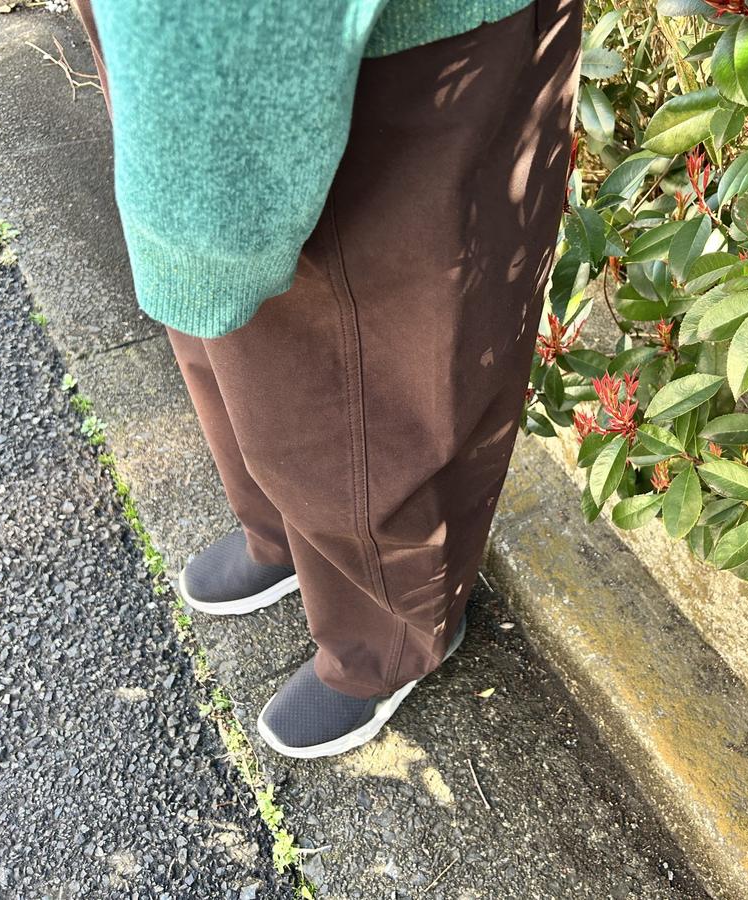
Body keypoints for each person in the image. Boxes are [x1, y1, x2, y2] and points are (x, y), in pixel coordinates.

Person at [72, 0, 582, 758]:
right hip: (172, 41)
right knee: (239, 347)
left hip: (411, 40)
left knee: (373, 384)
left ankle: (389, 636)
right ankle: (280, 532)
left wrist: (204, 226)